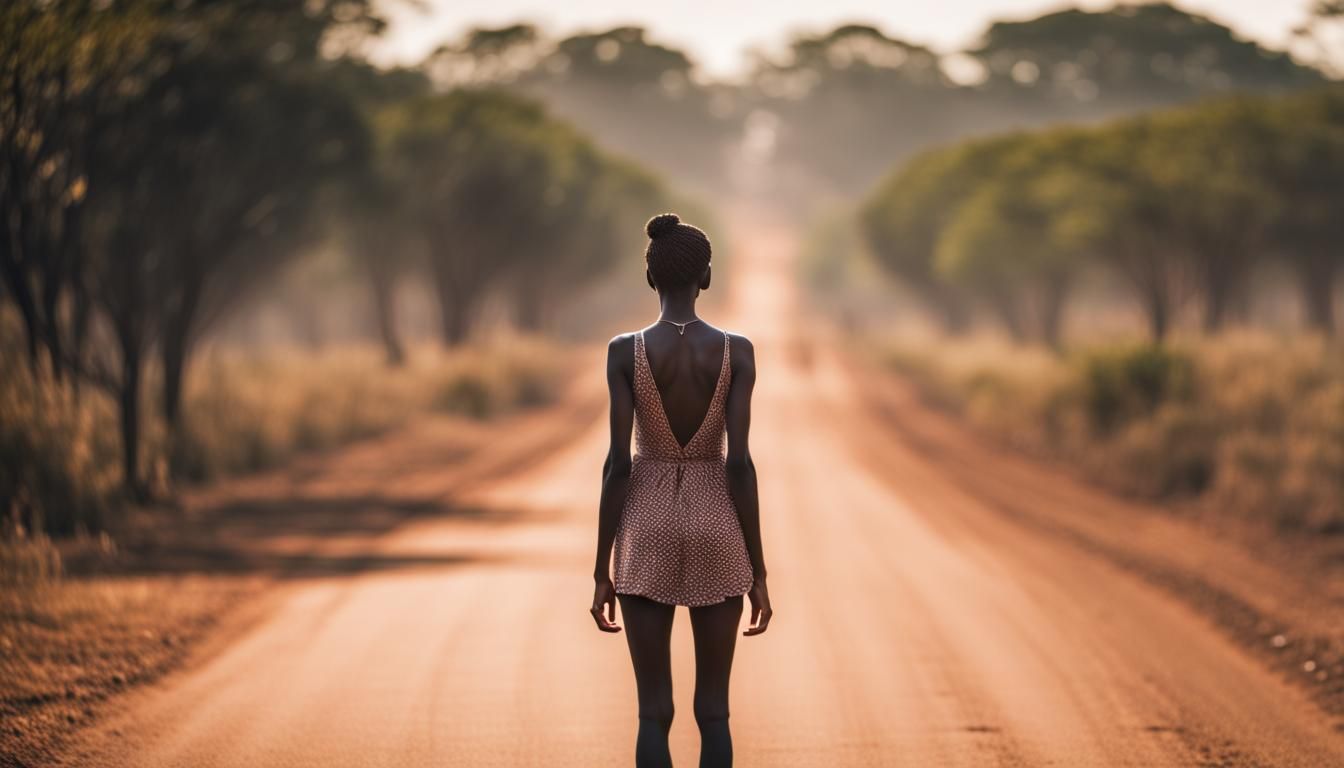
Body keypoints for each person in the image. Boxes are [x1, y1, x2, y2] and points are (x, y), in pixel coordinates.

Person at [591, 213, 772, 768]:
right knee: (713, 711)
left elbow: (619, 463)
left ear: (650, 278)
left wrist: (602, 569)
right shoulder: (735, 351)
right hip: (716, 517)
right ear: (707, 277)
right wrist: (758, 573)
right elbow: (739, 462)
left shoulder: (626, 351)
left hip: (646, 520)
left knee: (653, 711)